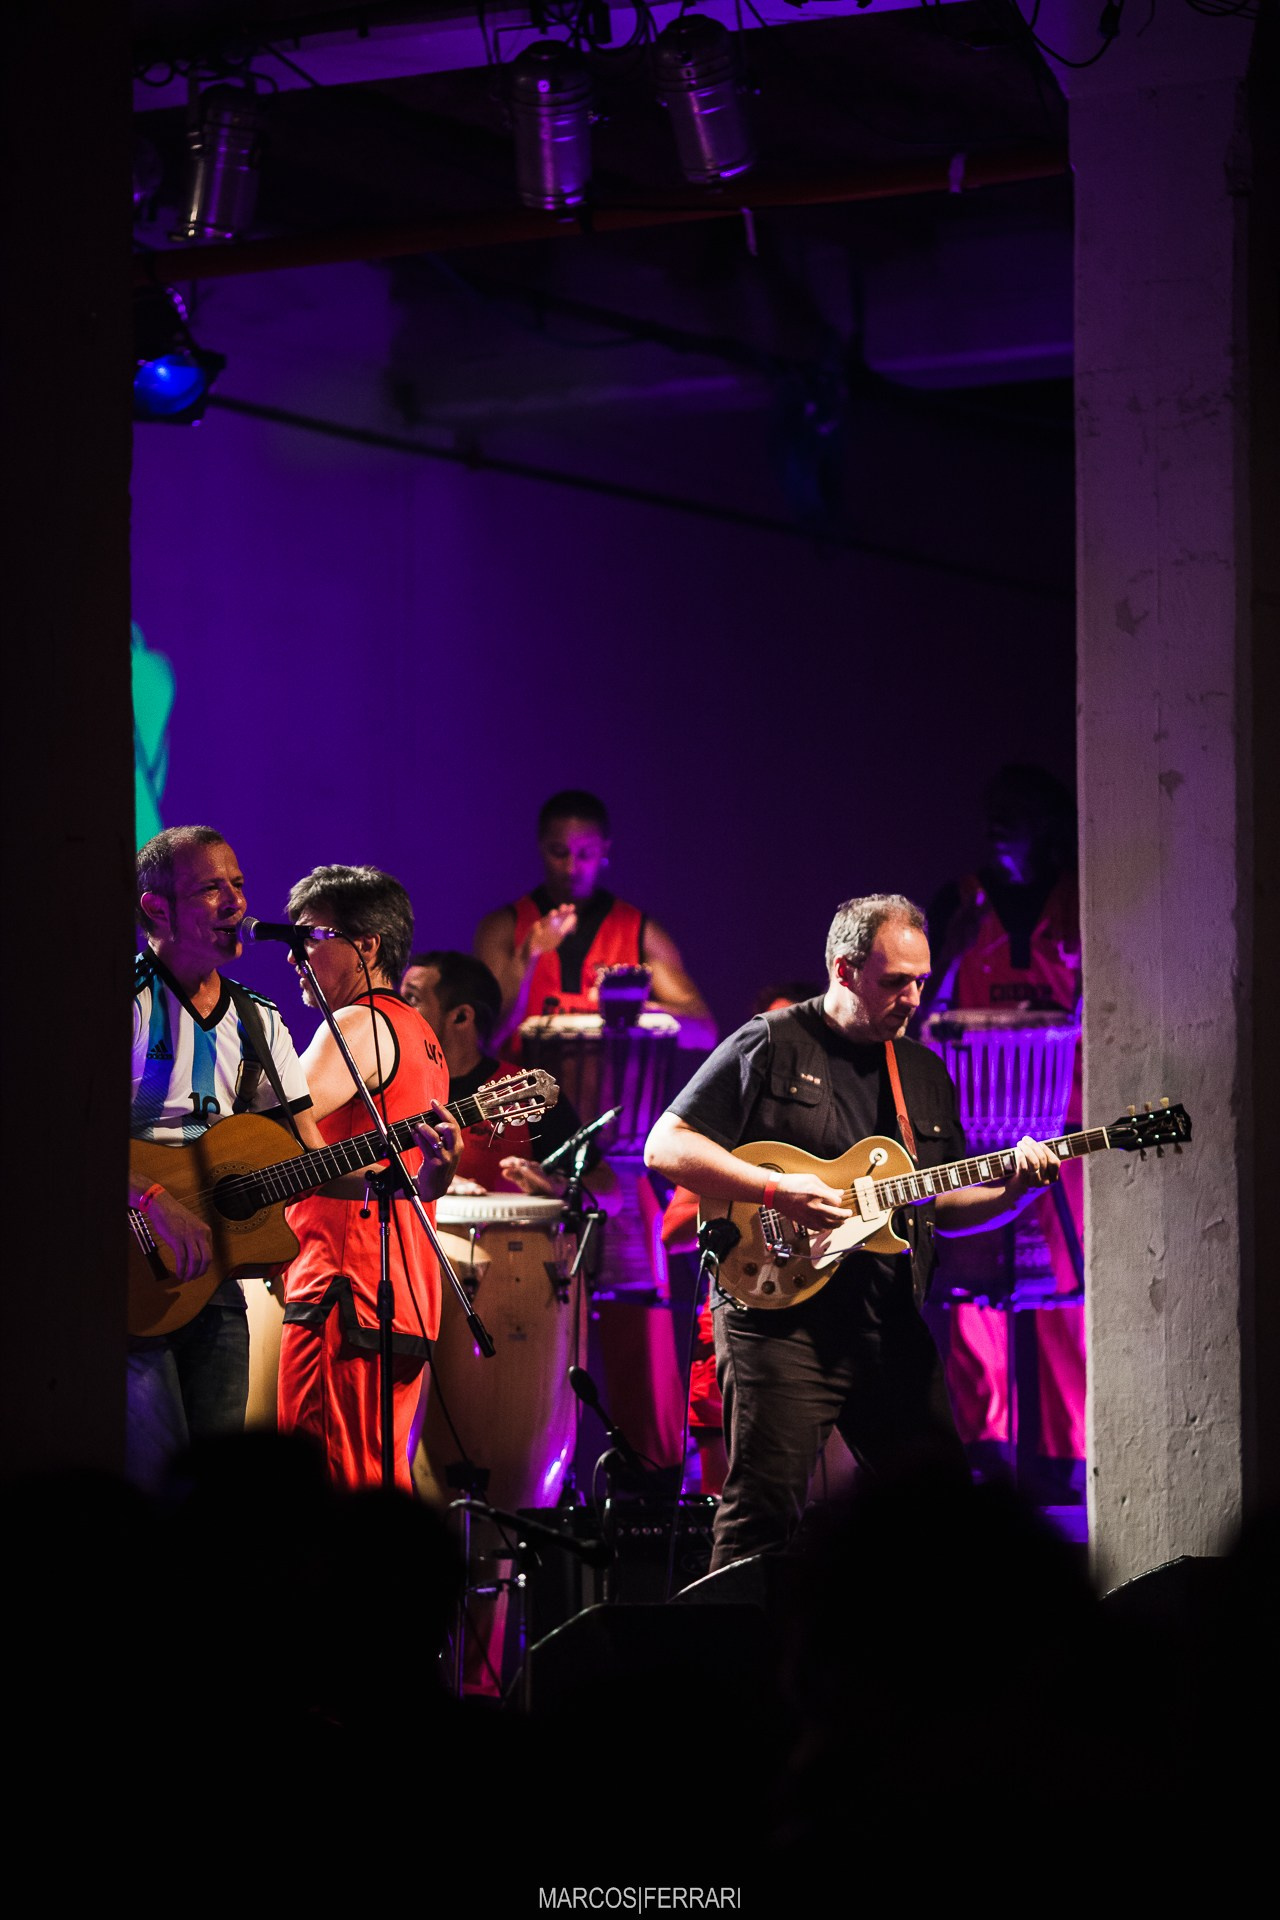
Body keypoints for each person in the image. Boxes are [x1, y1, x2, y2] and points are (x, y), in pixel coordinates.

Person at [644, 893, 1061, 1571]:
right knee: (760, 1521)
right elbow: (666, 1147)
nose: (913, 998)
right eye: (895, 981)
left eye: (921, 981)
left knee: (941, 1516)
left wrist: (1012, 1191)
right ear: (844, 970)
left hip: (886, 1322)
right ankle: (738, 1669)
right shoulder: (773, 1041)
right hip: (777, 1323)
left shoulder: (922, 1072)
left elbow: (937, 1208)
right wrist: (774, 1190)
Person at [130, 826, 321, 1491]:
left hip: (214, 1286)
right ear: (157, 908)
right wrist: (152, 1201)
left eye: (238, 884)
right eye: (211, 887)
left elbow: (314, 1152)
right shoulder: (120, 1003)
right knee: (153, 1485)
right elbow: (55, 1137)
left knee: (216, 1499)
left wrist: (421, 1162)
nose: (236, 902)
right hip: (124, 1283)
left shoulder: (260, 1021)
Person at [921, 765, 1085, 1498]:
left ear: (1047, 825)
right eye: (991, 811)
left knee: (1062, 1297)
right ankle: (984, 1450)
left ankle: (1062, 1457)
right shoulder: (960, 901)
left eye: (1012, 814)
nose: (996, 825)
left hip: (1061, 1117)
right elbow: (919, 1001)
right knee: (972, 1299)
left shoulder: (1082, 897)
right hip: (979, 1122)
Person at [276, 866, 461, 1493]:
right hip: (400, 1296)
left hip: (343, 1285)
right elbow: (410, 1176)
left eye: (310, 937)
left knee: (324, 1493)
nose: (295, 955)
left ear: (367, 945)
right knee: (380, 1489)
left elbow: (270, 1136)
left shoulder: (357, 1025)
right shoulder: (422, 1037)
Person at [473, 788, 716, 1052]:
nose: (571, 867)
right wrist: (528, 955)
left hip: (612, 1092)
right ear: (541, 846)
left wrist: (638, 1013)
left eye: (586, 853)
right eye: (559, 852)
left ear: (605, 850)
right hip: (524, 1090)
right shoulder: (504, 926)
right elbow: (488, 1036)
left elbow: (703, 1033)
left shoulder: (640, 931)